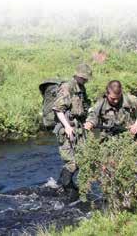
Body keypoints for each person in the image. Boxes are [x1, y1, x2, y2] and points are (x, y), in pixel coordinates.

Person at [52, 64, 92, 193]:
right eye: (84, 78)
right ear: (78, 76)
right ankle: (66, 187)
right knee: (71, 162)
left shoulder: (81, 88)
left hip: (78, 129)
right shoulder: (67, 87)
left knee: (83, 158)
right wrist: (68, 127)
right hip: (66, 130)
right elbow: (58, 109)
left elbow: (82, 108)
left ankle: (63, 184)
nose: (86, 80)